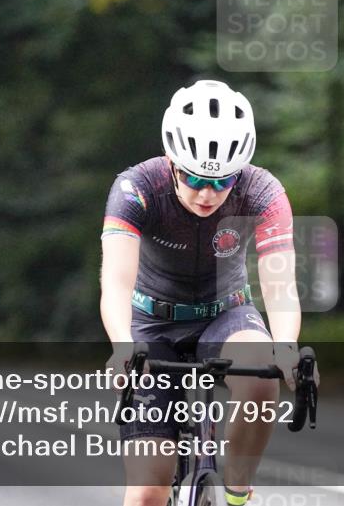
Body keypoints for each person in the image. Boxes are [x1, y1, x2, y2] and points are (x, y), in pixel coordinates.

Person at [101, 80, 306, 506]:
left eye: (222, 180)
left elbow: (281, 285)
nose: (207, 193)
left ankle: (237, 491)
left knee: (261, 370)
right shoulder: (136, 188)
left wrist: (286, 346)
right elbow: (116, 281)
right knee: (145, 493)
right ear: (172, 162)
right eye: (194, 177)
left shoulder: (263, 191)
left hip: (226, 314)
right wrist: (122, 345)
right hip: (152, 323)